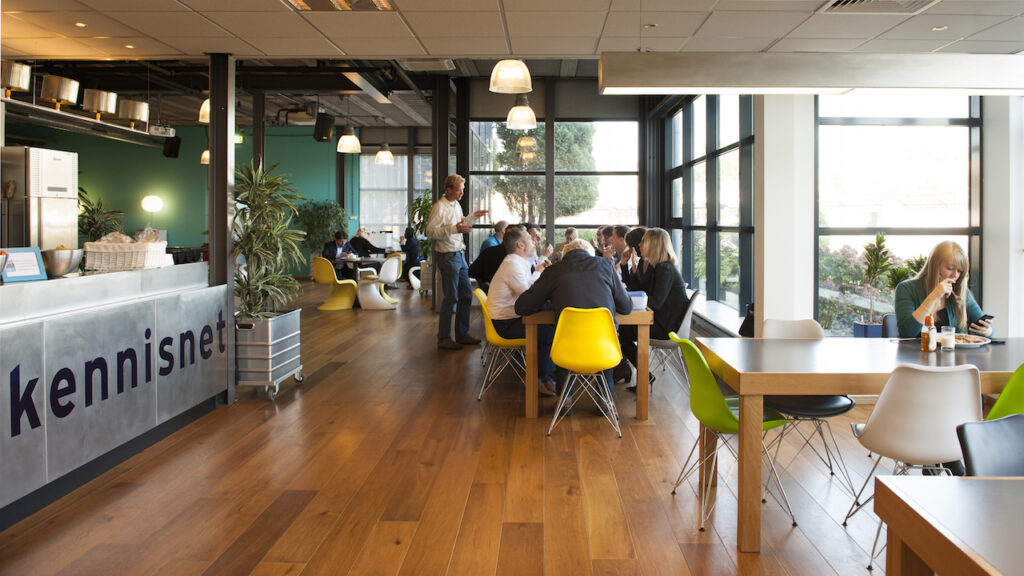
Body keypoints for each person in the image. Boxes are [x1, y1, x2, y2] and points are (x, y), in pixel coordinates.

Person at [515, 239, 632, 394]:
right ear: (591, 255)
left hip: (567, 349)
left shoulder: (554, 270)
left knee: (565, 337)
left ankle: (565, 396)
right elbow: (626, 308)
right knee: (604, 339)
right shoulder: (606, 266)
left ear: (565, 255)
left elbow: (522, 306)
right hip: (604, 347)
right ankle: (605, 396)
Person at [617, 228, 689, 391]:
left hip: (667, 327)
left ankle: (643, 376)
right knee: (624, 332)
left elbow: (655, 302)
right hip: (663, 321)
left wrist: (632, 297)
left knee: (624, 334)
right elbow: (640, 289)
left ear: (653, 244)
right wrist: (629, 267)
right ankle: (640, 375)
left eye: (643, 241)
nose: (640, 245)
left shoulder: (664, 269)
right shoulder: (661, 267)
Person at [487, 227, 557, 396]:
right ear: (520, 245)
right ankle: (535, 376)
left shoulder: (519, 262)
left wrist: (539, 269)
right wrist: (539, 272)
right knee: (553, 333)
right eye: (530, 239)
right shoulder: (512, 265)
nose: (534, 241)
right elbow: (528, 297)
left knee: (551, 321)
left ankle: (544, 375)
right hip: (505, 324)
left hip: (514, 317)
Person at [427, 174, 488, 350]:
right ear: (449, 189)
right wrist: (455, 229)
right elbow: (430, 232)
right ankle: (443, 338)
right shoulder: (439, 207)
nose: (462, 192)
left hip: (459, 255)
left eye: (462, 189)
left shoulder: (456, 205)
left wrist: (473, 217)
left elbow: (460, 224)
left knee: (466, 295)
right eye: (459, 189)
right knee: (451, 297)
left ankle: (461, 334)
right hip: (447, 256)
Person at [894, 241, 993, 339]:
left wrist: (987, 331)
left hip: (950, 352)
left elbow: (986, 327)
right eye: (950, 268)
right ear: (935, 266)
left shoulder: (961, 292)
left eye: (959, 271)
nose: (955, 275)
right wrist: (934, 295)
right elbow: (907, 332)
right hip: (917, 353)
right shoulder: (906, 289)